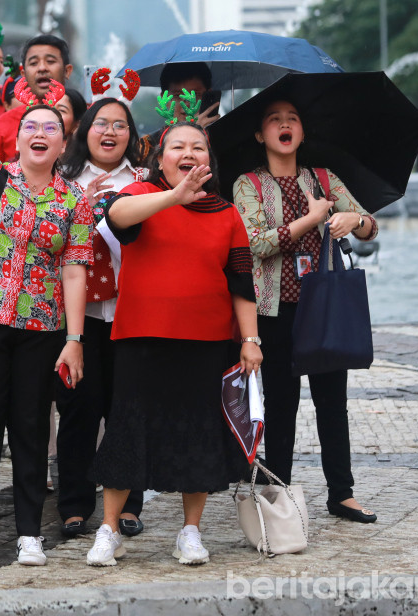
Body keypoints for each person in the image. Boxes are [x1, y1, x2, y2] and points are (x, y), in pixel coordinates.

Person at [86, 93, 259, 568]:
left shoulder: (226, 213)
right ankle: (108, 530)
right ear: (160, 159)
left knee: (197, 435)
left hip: (206, 342)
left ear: (210, 159)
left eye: (198, 148)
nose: (188, 154)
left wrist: (250, 339)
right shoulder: (141, 197)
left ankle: (190, 532)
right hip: (142, 337)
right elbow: (115, 218)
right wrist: (174, 197)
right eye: (177, 147)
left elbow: (242, 282)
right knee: (127, 431)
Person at [0, 38, 94, 569]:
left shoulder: (74, 199)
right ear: (17, 139)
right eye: (30, 126)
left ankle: (30, 531)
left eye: (50, 128)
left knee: (32, 430)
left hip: (42, 328)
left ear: (63, 143)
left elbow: (74, 269)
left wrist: (74, 340)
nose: (39, 133)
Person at [233, 99, 378, 523]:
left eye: (292, 118)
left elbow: (370, 224)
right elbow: (256, 243)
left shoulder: (323, 179)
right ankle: (279, 497)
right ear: (261, 134)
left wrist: (352, 219)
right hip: (274, 312)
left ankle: (342, 494)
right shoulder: (248, 185)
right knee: (281, 405)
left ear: (301, 132)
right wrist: (311, 218)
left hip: (323, 304)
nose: (284, 124)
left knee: (332, 402)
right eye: (274, 119)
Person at [54, 91, 146, 538]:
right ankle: (74, 503)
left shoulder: (148, 180)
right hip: (81, 317)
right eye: (101, 123)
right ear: (84, 131)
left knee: (128, 409)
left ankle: (129, 504)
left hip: (135, 311)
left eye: (120, 124)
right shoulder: (63, 177)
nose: (110, 131)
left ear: (131, 135)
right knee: (79, 409)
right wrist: (80, 204)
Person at [0, 35, 78, 161]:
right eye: (33, 63)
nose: (42, 68)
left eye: (50, 61)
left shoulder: (85, 121)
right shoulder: (4, 123)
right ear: (23, 74)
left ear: (67, 71)